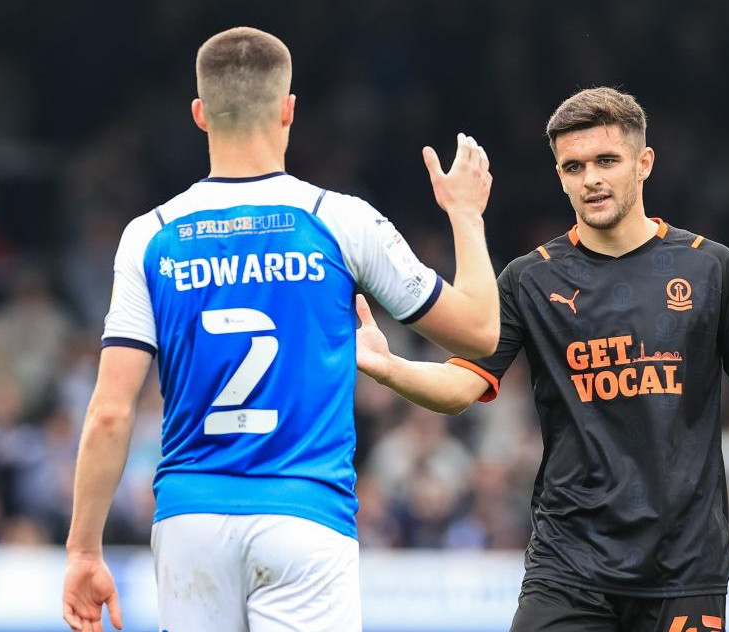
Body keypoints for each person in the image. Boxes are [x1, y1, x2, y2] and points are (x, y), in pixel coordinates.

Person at [61, 26, 498, 632]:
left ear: (199, 114)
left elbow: (110, 412)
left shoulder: (149, 235)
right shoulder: (340, 220)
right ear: (290, 109)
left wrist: (84, 549)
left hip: (191, 522)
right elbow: (479, 331)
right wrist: (465, 216)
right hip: (305, 517)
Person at [355, 87, 729, 631]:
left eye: (606, 161)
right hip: (569, 564)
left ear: (644, 163)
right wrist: (386, 366)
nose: (590, 178)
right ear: (560, 176)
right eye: (574, 166)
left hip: (684, 566)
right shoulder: (530, 279)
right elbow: (459, 388)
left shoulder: (711, 268)